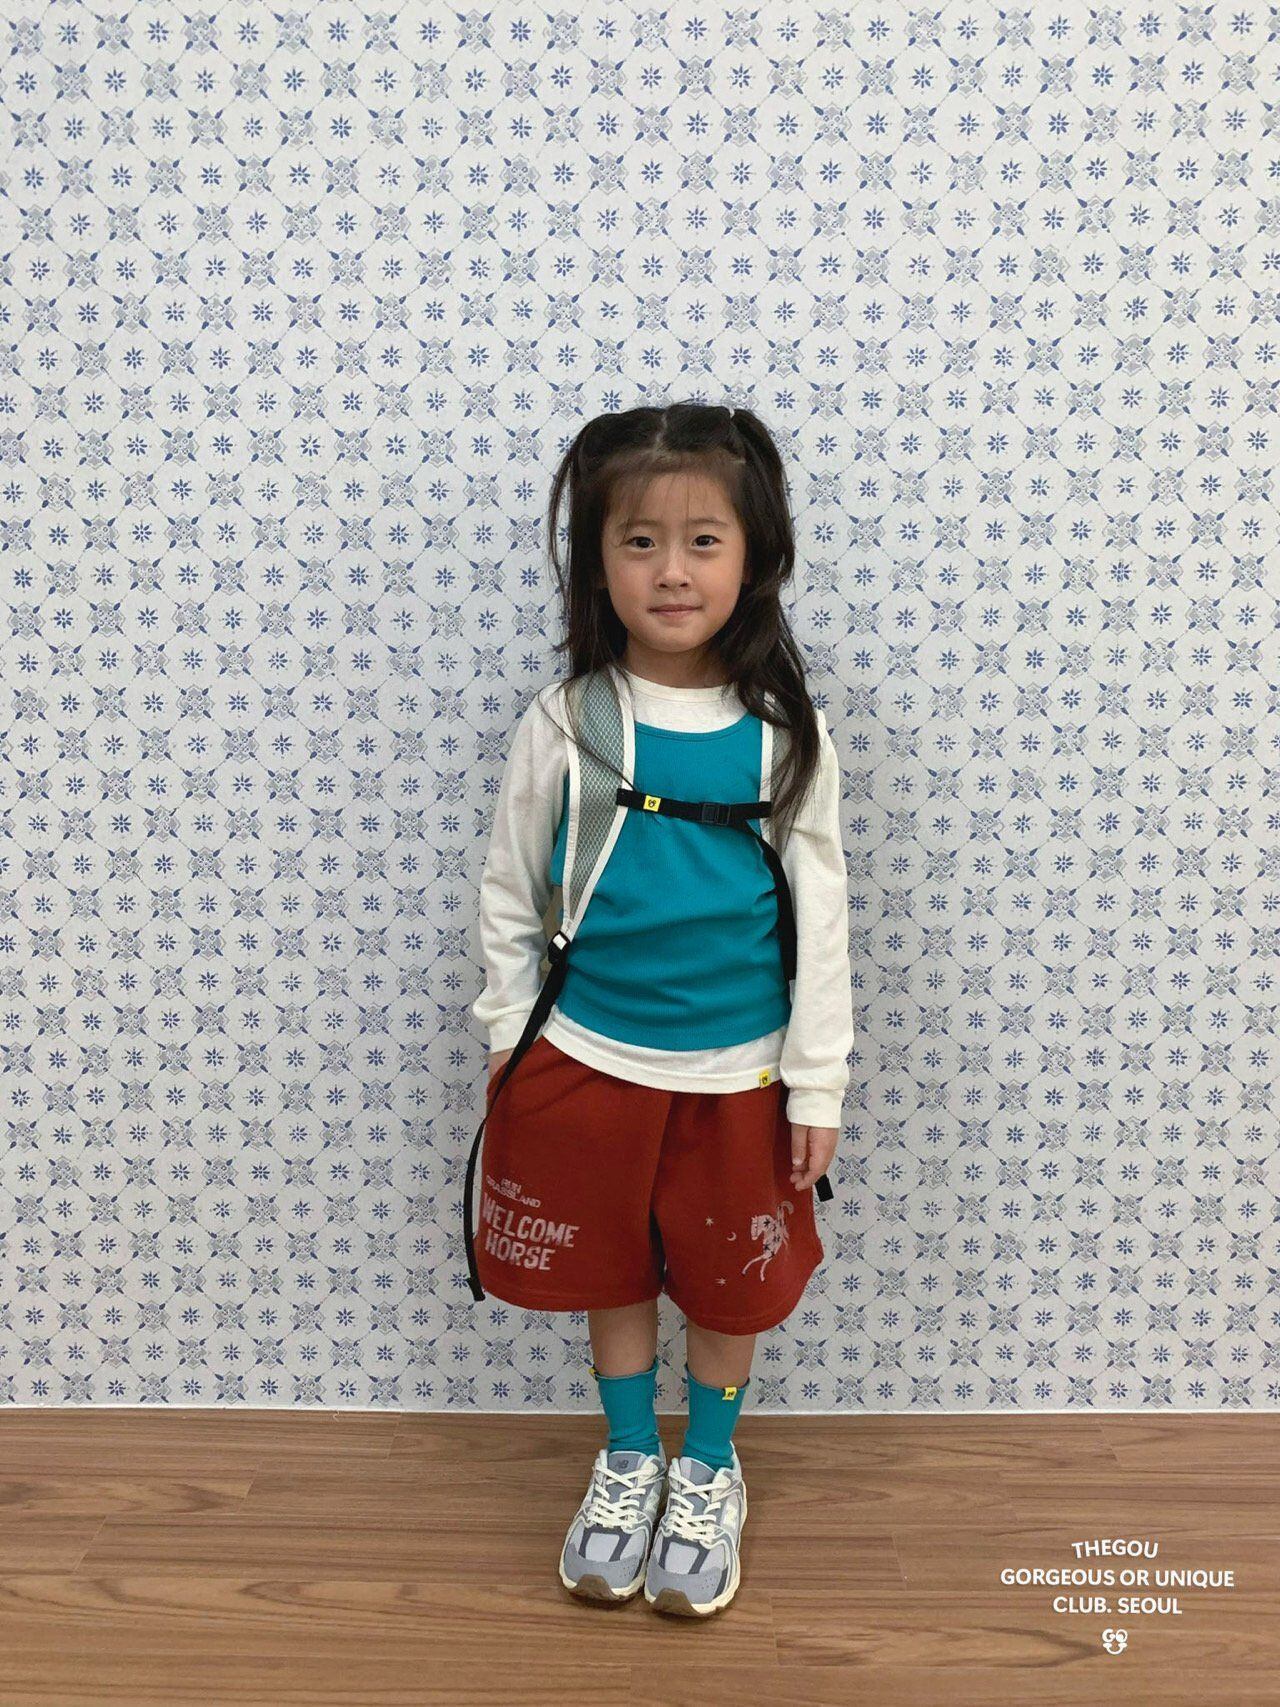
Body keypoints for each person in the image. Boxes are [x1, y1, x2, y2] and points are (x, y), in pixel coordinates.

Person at [469, 401, 853, 1617]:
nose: (671, 571)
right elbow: (509, 890)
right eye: (638, 541)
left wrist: (817, 1082)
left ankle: (710, 1466)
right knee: (612, 1264)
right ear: (597, 561)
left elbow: (821, 918)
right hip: (584, 1057)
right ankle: (631, 1455)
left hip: (739, 1075)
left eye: (701, 541)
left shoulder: (782, 734)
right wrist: (507, 1036)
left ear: (754, 556)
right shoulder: (567, 720)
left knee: (729, 1282)